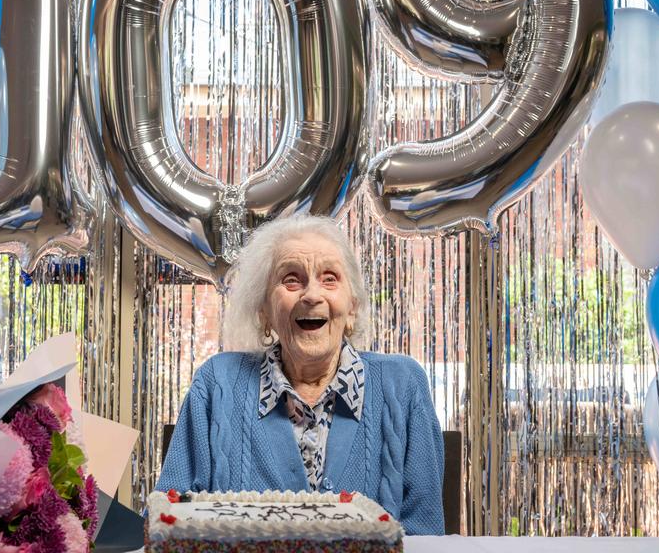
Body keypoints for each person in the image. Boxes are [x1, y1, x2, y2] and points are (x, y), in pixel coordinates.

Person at [155, 215, 445, 535]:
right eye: (291, 279)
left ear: (352, 308)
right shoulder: (216, 385)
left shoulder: (402, 387)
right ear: (264, 310)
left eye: (330, 278)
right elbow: (166, 523)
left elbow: (425, 535)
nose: (311, 295)